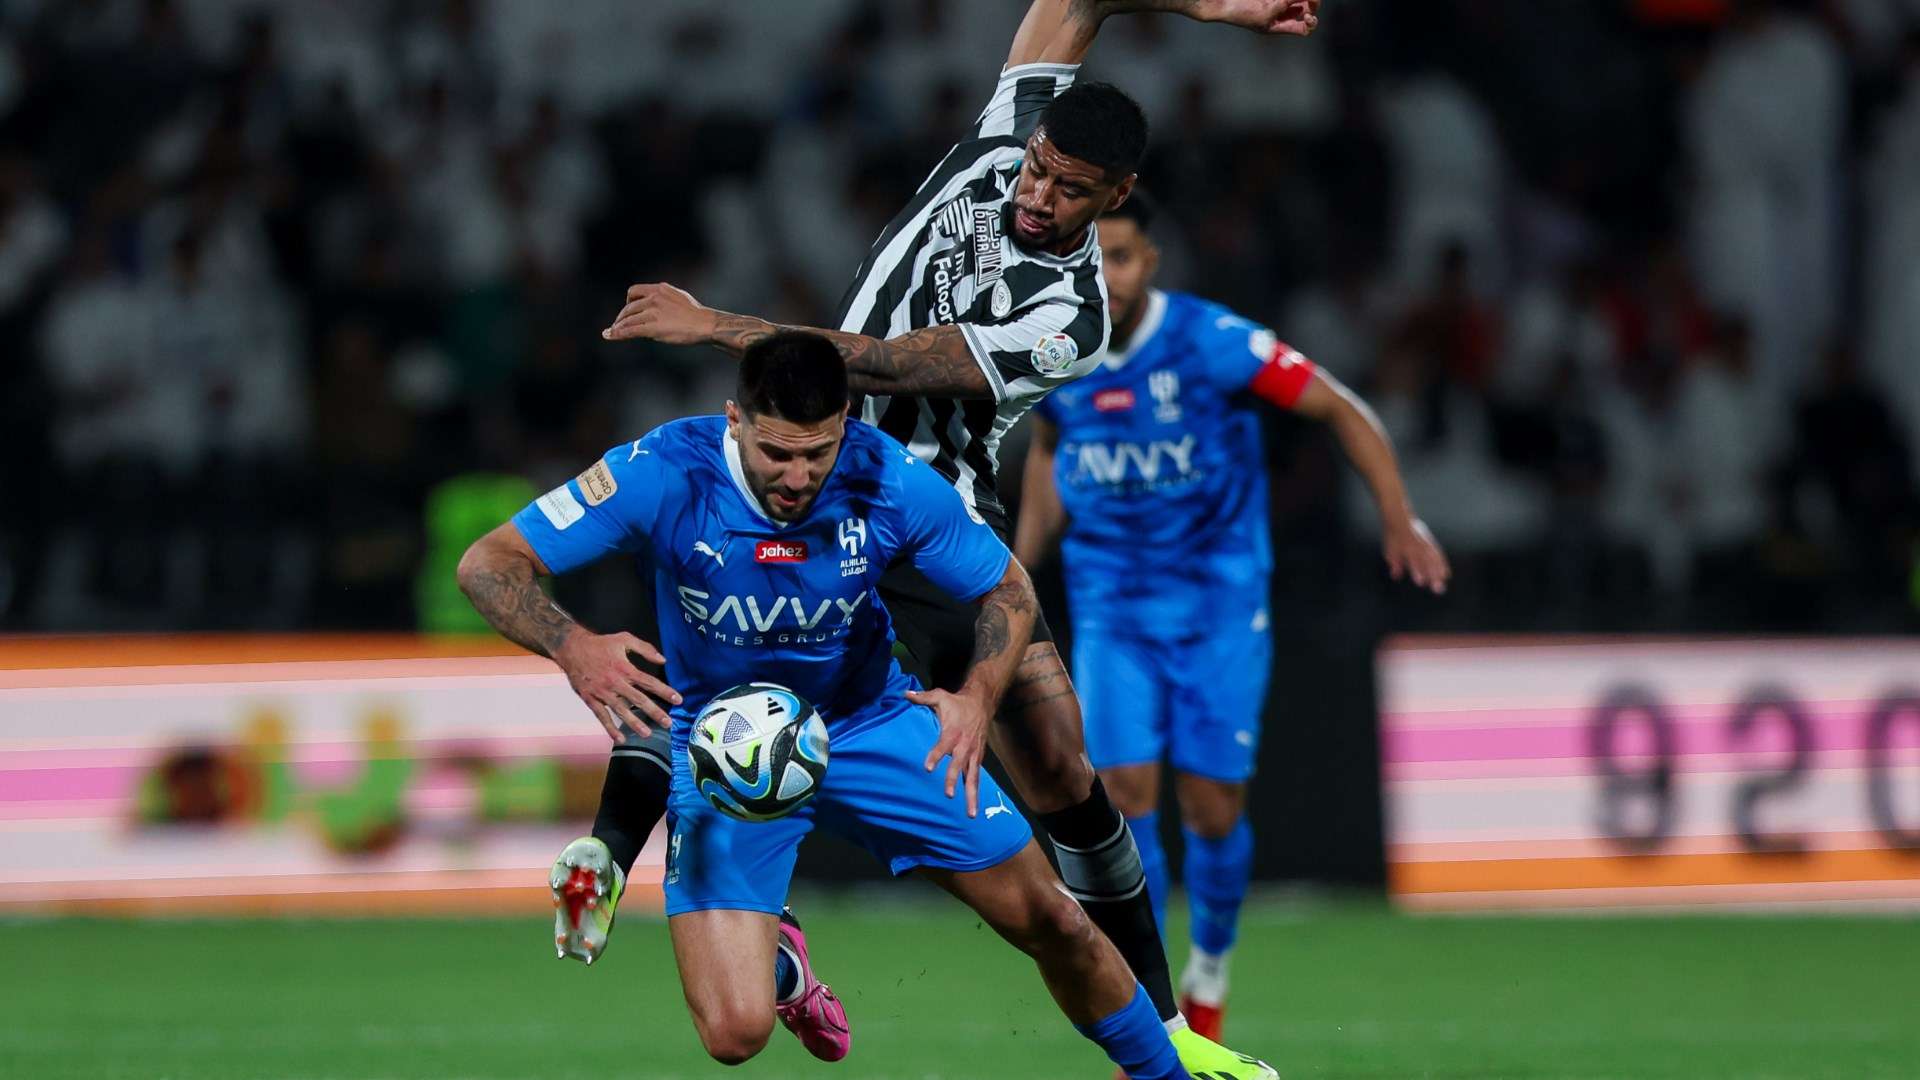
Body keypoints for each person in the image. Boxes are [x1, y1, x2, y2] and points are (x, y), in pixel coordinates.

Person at [580, 5, 1320, 1077]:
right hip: (811, 480)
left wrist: (721, 324)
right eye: (1038, 170)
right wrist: (1213, 6)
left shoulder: (1070, 318)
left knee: (1062, 767)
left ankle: (1162, 1038)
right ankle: (753, 929)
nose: (1037, 193)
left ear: (1117, 201)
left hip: (929, 521)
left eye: (1070, 190)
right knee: (732, 695)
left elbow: (881, 365)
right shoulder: (1010, 129)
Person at [458, 333, 1202, 1078]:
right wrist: (572, 646)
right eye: (777, 452)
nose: (797, 475)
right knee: (733, 1035)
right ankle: (783, 973)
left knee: (1057, 919)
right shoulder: (661, 471)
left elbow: (1006, 586)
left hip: (869, 723)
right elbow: (487, 564)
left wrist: (976, 699)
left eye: (816, 452)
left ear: (845, 423)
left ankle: (1166, 1073)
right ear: (734, 420)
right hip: (728, 753)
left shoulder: (884, 476)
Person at [1014, 194, 1451, 1041]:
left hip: (1218, 607)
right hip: (1113, 609)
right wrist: (1020, 573)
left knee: (1212, 810)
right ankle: (1148, 1010)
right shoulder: (1058, 347)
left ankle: (1207, 976)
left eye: (1124, 258)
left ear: (1153, 264)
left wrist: (1398, 515)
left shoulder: (1213, 345)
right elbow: (1051, 447)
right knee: (1123, 798)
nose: (1106, 275)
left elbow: (1340, 406)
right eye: (1092, 260)